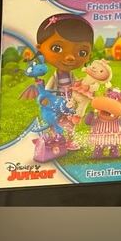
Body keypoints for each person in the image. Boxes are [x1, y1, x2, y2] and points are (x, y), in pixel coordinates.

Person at [35, 13, 95, 148]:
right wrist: (46, 100)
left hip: (70, 102)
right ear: (40, 48)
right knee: (55, 121)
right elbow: (48, 90)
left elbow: (78, 86)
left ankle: (70, 140)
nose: (70, 57)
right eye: (57, 48)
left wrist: (83, 89)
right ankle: (57, 139)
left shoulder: (73, 77)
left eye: (82, 52)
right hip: (56, 103)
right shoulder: (54, 79)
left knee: (70, 122)